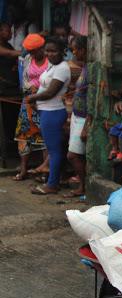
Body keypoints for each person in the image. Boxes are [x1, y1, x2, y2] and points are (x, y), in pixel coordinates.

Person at [27, 37, 70, 195]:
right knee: (54, 150)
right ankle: (54, 181)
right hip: (46, 111)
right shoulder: (53, 66)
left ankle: (52, 185)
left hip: (53, 112)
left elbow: (51, 92)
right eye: (47, 50)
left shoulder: (62, 68)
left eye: (53, 51)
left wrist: (33, 98)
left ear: (62, 52)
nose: (49, 54)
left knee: (54, 151)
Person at [12, 33, 48, 181]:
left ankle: (46, 171)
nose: (32, 53)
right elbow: (24, 80)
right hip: (27, 103)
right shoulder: (27, 60)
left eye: (34, 50)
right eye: (30, 51)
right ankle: (24, 168)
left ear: (42, 48)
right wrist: (30, 91)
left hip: (45, 103)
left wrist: (39, 92)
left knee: (46, 137)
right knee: (23, 136)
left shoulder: (51, 61)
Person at [65, 35, 89, 197]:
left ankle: (84, 186)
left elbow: (94, 99)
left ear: (83, 50)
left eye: (75, 49)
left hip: (84, 117)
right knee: (78, 154)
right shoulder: (85, 67)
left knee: (73, 155)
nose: (73, 53)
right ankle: (83, 186)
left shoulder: (91, 69)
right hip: (77, 114)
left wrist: (87, 124)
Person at [0, 22, 20, 95]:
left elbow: (14, 57)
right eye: (8, 32)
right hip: (3, 85)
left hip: (10, 83)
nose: (11, 34)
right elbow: (10, 53)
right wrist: (29, 51)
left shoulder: (7, 45)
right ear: (0, 32)